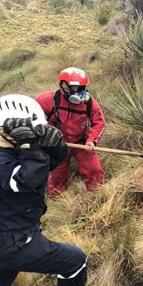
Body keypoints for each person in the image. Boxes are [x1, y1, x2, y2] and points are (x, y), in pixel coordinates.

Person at [0, 94, 87, 286]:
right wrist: (31, 148)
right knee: (75, 261)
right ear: (15, 129)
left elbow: (47, 165)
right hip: (15, 242)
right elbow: (26, 181)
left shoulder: (16, 152)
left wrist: (54, 144)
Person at [35, 67, 106, 195]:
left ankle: (97, 196)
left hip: (81, 143)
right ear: (64, 86)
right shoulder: (48, 99)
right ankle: (57, 202)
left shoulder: (89, 102)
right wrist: (42, 133)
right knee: (57, 176)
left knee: (94, 170)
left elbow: (99, 122)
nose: (79, 92)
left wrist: (91, 141)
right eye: (75, 88)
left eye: (82, 88)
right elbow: (31, 115)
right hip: (57, 144)